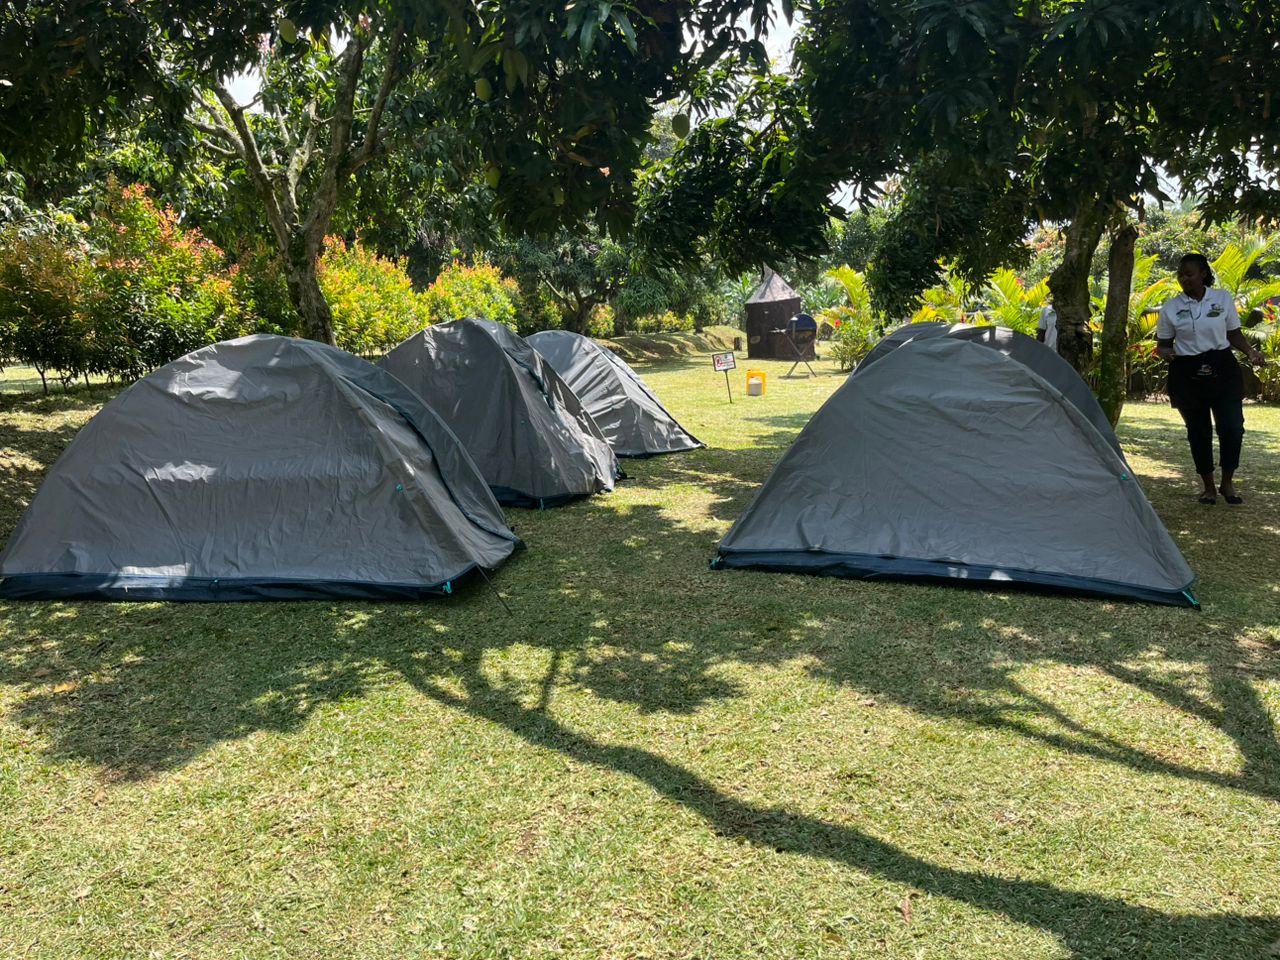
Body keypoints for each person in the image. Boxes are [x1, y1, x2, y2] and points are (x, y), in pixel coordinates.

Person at [1156, 253, 1266, 505]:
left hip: (1221, 366)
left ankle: (1227, 482)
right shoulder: (1172, 307)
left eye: (1189, 274)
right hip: (1186, 371)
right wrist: (1166, 354)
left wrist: (1250, 351)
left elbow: (1234, 333)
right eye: (1180, 275)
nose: (1184, 279)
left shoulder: (1222, 298)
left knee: (1232, 427)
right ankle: (1208, 487)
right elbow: (1163, 344)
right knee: (1198, 431)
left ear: (1203, 274)